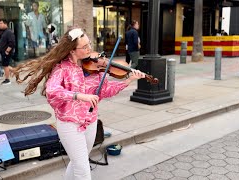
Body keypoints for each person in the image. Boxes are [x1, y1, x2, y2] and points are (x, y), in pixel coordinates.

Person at [11, 28, 145, 180]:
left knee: (77, 163)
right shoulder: (62, 68)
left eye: (89, 44)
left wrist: (128, 80)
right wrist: (79, 96)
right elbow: (52, 91)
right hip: (69, 125)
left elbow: (105, 90)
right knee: (83, 170)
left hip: (91, 121)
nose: (90, 49)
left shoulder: (95, 67)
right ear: (72, 51)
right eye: (85, 47)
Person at [0, 19, 15, 85]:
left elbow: (12, 42)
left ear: (5, 24)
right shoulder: (3, 32)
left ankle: (7, 79)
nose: (0, 25)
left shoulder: (9, 32)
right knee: (5, 65)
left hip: (6, 52)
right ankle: (16, 72)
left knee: (5, 65)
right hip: (3, 51)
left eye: (1, 23)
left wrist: (7, 51)